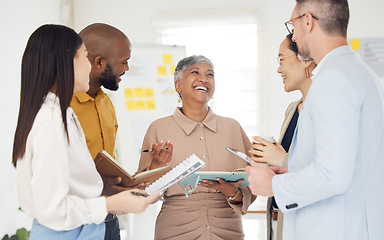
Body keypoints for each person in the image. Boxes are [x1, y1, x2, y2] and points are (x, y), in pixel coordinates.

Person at [246, 0, 384, 239]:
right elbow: (346, 162)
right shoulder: (361, 74)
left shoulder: (334, 80)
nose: (294, 36)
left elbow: (332, 176)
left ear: (308, 21)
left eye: (293, 25)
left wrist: (271, 185)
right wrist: (294, 167)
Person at [12, 24, 160, 240]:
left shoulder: (59, 114)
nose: (88, 65)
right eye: (83, 56)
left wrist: (102, 187)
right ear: (66, 63)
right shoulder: (51, 121)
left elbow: (65, 183)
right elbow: (52, 209)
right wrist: (110, 203)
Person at [137, 55, 256, 240]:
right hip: (175, 228)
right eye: (195, 72)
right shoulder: (158, 128)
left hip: (227, 226)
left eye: (210, 74)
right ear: (178, 86)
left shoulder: (232, 127)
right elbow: (141, 192)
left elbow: (254, 182)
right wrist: (156, 166)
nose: (204, 79)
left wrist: (234, 194)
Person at [70, 23, 141, 240]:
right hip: (77, 223)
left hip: (109, 221)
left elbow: (107, 162)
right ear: (99, 62)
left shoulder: (106, 103)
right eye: (124, 62)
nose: (127, 69)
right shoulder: (62, 107)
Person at [250, 33, 315, 240]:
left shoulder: (324, 109)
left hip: (308, 222)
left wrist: (281, 159)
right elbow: (291, 163)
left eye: (282, 60)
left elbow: (325, 170)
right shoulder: (292, 109)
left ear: (306, 61)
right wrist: (268, 161)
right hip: (281, 218)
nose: (279, 69)